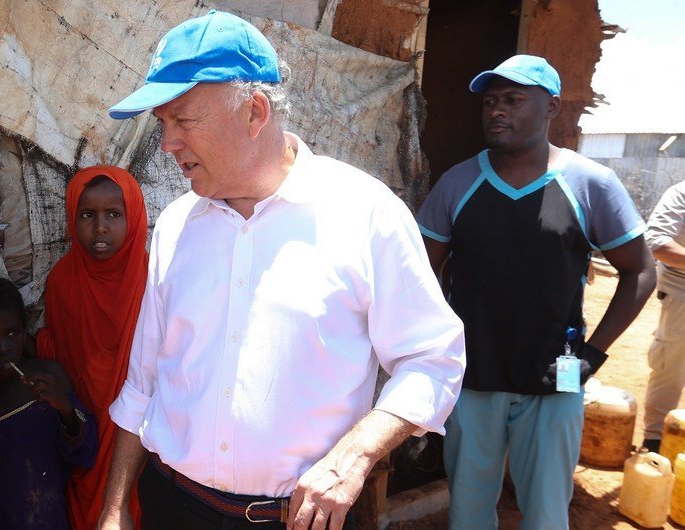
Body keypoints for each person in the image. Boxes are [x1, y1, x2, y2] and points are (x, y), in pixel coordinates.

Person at [98, 11, 467, 530]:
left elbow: (433, 359)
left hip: (302, 521)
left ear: (254, 112)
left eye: (182, 120)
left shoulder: (363, 213)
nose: (167, 143)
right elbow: (144, 383)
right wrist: (114, 509)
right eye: (162, 124)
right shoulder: (177, 226)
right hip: (174, 508)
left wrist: (354, 457)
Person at [416, 55, 657, 529]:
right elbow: (422, 277)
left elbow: (641, 271)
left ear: (550, 108)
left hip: (558, 377)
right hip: (473, 377)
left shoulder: (591, 184)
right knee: (468, 510)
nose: (497, 111)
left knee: (547, 512)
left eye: (512, 99)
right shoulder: (458, 183)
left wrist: (593, 355)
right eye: (490, 101)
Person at [36, 165, 148, 529]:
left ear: (133, 217)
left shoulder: (154, 278)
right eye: (87, 215)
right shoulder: (63, 281)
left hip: (141, 435)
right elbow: (58, 352)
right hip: (83, 429)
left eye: (114, 214)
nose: (100, 227)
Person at [0, 276, 97, 529]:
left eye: (11, 333)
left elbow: (85, 450)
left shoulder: (49, 377)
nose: (3, 347)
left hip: (46, 518)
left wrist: (64, 407)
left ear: (24, 329)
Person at [641, 181, 685, 454]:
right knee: (672, 364)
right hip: (682, 290)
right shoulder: (681, 193)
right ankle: (655, 442)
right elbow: (656, 243)